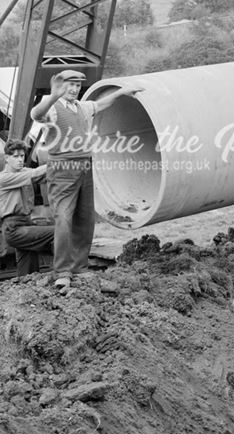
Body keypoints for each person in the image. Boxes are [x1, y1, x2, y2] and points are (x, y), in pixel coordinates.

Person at [30, 69, 142, 289]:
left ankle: (79, 267)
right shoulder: (53, 107)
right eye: (69, 85)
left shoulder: (81, 107)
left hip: (85, 165)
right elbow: (36, 114)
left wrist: (122, 92)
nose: (73, 89)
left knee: (85, 218)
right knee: (63, 217)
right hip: (63, 166)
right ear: (61, 86)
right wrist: (53, 95)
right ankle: (62, 271)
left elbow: (100, 104)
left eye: (77, 86)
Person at [0, 139, 55, 277]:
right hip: (14, 229)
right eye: (15, 156)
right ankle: (64, 271)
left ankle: (26, 290)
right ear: (6, 158)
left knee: (28, 274)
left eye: (22, 156)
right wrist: (56, 161)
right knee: (59, 230)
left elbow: (43, 175)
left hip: (26, 224)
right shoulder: (4, 178)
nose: (20, 159)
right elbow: (34, 174)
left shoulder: (24, 171)